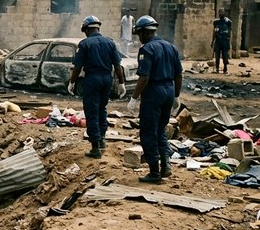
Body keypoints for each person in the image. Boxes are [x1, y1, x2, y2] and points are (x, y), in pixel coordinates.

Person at [127, 15, 183, 184]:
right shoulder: (171, 47)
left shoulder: (147, 50)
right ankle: (166, 165)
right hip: (169, 90)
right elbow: (179, 74)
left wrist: (134, 97)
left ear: (144, 33)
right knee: (160, 129)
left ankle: (154, 173)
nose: (139, 38)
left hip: (154, 92)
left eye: (139, 34)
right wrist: (176, 95)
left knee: (148, 132)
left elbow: (144, 77)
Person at [68, 16, 126, 159]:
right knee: (102, 109)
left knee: (92, 111)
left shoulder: (84, 44)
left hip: (92, 79)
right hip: (107, 79)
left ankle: (95, 148)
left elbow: (78, 66)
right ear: (98, 28)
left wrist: (72, 82)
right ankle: (102, 140)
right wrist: (121, 83)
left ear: (87, 29)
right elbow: (118, 65)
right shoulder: (110, 43)